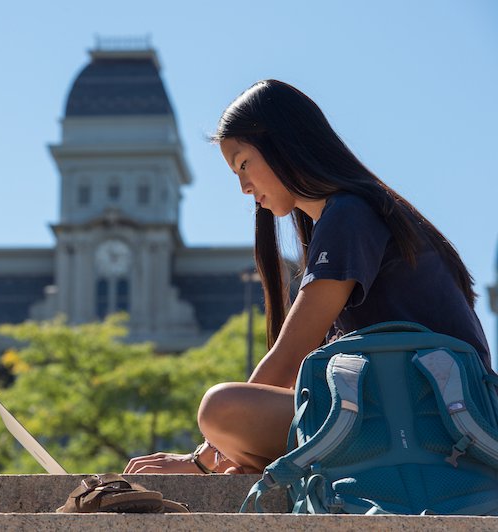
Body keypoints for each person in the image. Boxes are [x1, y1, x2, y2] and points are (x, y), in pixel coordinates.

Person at [124, 79, 491, 475]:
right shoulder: (361, 210)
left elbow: (289, 357)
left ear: (282, 144)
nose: (244, 187)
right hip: (428, 409)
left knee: (221, 408)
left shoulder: (350, 213)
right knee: (238, 426)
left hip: (434, 417)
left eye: (244, 163)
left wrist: (201, 460)